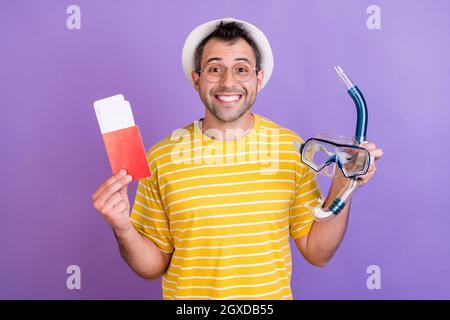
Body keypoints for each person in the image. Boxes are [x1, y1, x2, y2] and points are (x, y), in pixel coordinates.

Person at [92, 17, 383, 300]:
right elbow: (153, 266)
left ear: (258, 79)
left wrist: (343, 186)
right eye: (215, 69)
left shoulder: (291, 149)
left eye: (241, 69)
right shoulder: (162, 157)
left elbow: (317, 253)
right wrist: (123, 228)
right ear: (197, 80)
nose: (228, 82)